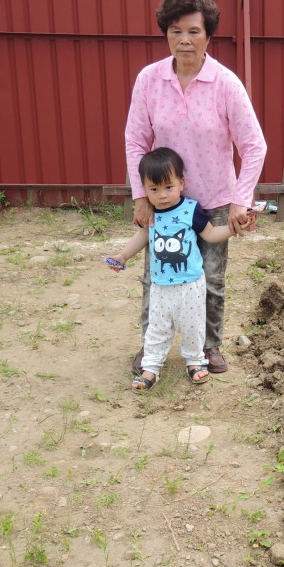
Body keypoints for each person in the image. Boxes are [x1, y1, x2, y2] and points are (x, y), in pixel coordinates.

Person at [125, 0, 267, 376]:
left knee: (211, 278)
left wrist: (240, 201)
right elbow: (136, 139)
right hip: (165, 201)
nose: (184, 40)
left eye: (193, 31)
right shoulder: (149, 81)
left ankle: (208, 346)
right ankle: (150, 347)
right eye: (175, 31)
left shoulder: (225, 84)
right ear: (165, 33)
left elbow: (254, 146)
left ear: (208, 35)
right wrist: (142, 196)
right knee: (157, 275)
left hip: (216, 199)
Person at [107, 147, 250, 392]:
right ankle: (151, 367)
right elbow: (142, 237)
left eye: (168, 187)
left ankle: (195, 362)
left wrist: (234, 228)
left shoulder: (190, 210)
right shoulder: (151, 214)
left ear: (181, 183)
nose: (162, 195)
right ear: (144, 189)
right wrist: (122, 256)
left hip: (191, 285)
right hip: (161, 286)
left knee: (193, 325)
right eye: (154, 189)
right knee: (157, 326)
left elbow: (212, 235)